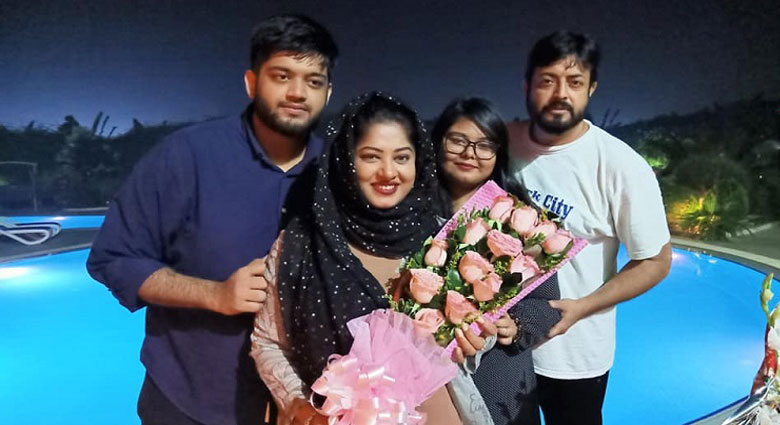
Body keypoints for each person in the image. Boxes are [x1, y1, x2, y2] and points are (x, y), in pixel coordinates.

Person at [86, 14, 337, 425]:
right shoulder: (186, 157)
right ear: (252, 83)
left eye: (313, 81)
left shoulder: (335, 173)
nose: (297, 92)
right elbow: (114, 258)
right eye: (282, 76)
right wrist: (215, 294)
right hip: (189, 398)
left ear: (327, 93)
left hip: (302, 405)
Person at [250, 92, 506, 425]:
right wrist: (298, 405)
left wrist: (477, 340)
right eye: (371, 157)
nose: (388, 172)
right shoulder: (300, 244)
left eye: (402, 157)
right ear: (345, 160)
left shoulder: (442, 236)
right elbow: (268, 342)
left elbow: (467, 341)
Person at [508, 31, 673, 424]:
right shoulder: (501, 143)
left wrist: (582, 308)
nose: (560, 94)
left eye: (574, 82)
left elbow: (656, 260)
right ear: (527, 85)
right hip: (502, 348)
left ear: (591, 88)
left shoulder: (619, 165)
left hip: (574, 355)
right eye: (547, 80)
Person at [431, 97, 561, 424]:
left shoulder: (523, 221)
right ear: (438, 143)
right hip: (428, 384)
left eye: (484, 145)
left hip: (499, 382)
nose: (470, 153)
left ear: (498, 154)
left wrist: (515, 325)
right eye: (458, 141)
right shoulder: (410, 215)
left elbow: (548, 304)